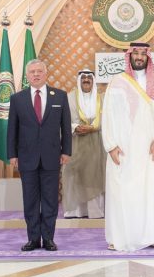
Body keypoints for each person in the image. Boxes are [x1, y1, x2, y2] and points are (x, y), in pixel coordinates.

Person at [102, 42, 154, 251]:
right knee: (124, 191)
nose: (138, 57)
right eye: (134, 53)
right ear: (129, 56)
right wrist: (110, 145)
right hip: (124, 148)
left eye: (142, 53)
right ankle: (121, 236)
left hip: (152, 147)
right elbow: (107, 115)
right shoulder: (117, 82)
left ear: (148, 57)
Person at [8, 59, 72, 251]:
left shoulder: (59, 96)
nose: (36, 75)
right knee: (30, 201)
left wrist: (66, 151)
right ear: (27, 76)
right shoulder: (17, 99)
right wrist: (12, 154)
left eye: (39, 71)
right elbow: (12, 129)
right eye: (32, 72)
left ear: (46, 74)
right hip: (26, 158)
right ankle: (33, 239)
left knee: (50, 200)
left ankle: (49, 238)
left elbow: (66, 128)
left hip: (52, 157)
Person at [63, 70, 105, 219]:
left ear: (93, 81)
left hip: (96, 144)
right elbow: (62, 119)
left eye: (89, 78)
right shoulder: (68, 98)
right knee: (75, 175)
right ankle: (75, 211)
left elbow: (106, 119)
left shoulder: (102, 99)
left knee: (94, 176)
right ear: (79, 80)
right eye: (84, 78)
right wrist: (75, 127)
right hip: (75, 142)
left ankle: (95, 211)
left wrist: (93, 127)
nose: (86, 80)